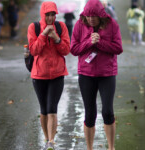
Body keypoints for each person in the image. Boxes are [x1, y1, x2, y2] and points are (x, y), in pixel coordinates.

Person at [70, 0, 123, 150]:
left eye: (94, 16)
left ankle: (111, 147)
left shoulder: (112, 24)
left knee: (107, 111)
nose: (91, 19)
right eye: (88, 16)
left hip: (107, 74)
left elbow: (118, 48)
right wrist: (89, 42)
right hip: (86, 74)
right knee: (89, 114)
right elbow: (73, 49)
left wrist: (100, 43)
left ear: (101, 15)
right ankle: (89, 148)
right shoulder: (79, 25)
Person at [27, 1, 70, 150]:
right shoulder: (34, 27)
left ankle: (51, 141)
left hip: (57, 74)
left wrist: (57, 39)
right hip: (39, 75)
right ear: (43, 14)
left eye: (53, 14)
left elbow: (66, 50)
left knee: (52, 107)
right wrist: (44, 35)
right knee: (44, 109)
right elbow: (34, 50)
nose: (51, 18)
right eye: (48, 15)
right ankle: (47, 138)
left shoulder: (61, 27)